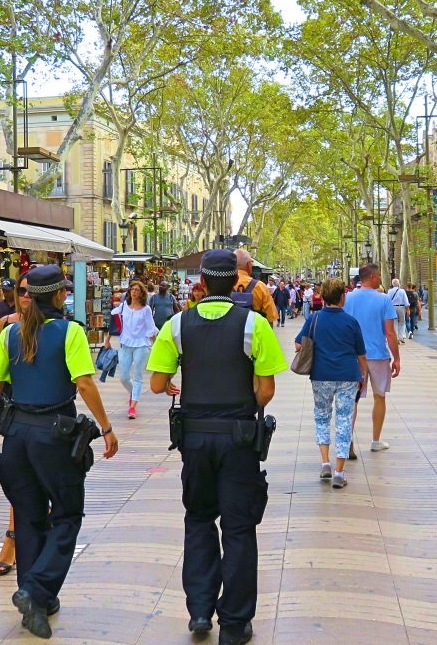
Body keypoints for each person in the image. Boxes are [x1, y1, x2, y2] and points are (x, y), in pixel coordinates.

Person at [0, 265, 118, 640]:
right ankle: (37, 588)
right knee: (68, 514)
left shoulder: (10, 334)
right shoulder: (70, 332)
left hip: (17, 434)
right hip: (54, 434)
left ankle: (36, 604)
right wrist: (106, 427)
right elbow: (84, 382)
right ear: (58, 296)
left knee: (28, 515)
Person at [148, 249, 285, 645]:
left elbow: (157, 385)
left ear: (202, 284)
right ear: (238, 282)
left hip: (194, 437)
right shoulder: (254, 325)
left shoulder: (177, 325)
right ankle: (236, 622)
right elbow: (266, 390)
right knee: (239, 527)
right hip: (239, 438)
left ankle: (200, 610)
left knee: (198, 519)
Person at [294, 277, 367, 489]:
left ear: (323, 297)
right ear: (342, 297)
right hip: (347, 376)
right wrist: (362, 376)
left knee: (322, 416)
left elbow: (299, 343)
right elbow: (361, 354)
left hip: (320, 375)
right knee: (344, 420)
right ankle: (339, 472)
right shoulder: (351, 322)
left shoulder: (314, 319)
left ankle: (325, 462)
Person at [0, 271, 32, 576]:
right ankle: (12, 538)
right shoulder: (6, 325)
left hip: (48, 413)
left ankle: (29, 534)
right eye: (22, 291)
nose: (27, 296)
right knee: (19, 479)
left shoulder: (60, 328)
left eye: (33, 291)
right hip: (15, 413)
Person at [343, 263, 400, 452]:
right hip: (378, 356)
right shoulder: (383, 300)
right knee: (380, 396)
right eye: (379, 276)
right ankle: (375, 440)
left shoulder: (347, 298)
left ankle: (348, 439)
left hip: (353, 356)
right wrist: (396, 358)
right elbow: (390, 333)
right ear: (373, 277)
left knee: (352, 398)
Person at [113, 280, 157, 420]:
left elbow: (151, 328)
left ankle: (133, 406)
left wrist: (155, 346)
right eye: (132, 289)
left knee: (137, 375)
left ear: (141, 293)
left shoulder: (146, 309)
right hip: (125, 343)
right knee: (124, 376)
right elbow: (114, 320)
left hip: (141, 344)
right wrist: (108, 339)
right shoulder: (124, 306)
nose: (134, 291)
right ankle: (134, 393)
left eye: (137, 290)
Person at [232, 249, 279, 325]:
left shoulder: (224, 285)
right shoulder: (260, 287)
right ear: (248, 265)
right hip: (254, 334)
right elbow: (270, 318)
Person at [386, 278, 410, 344]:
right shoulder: (402, 291)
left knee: (395, 323)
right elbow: (406, 301)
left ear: (392, 284)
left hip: (392, 307)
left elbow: (387, 301)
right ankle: (401, 336)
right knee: (402, 322)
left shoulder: (390, 291)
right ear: (398, 283)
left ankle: (396, 338)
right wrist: (408, 309)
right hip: (401, 307)